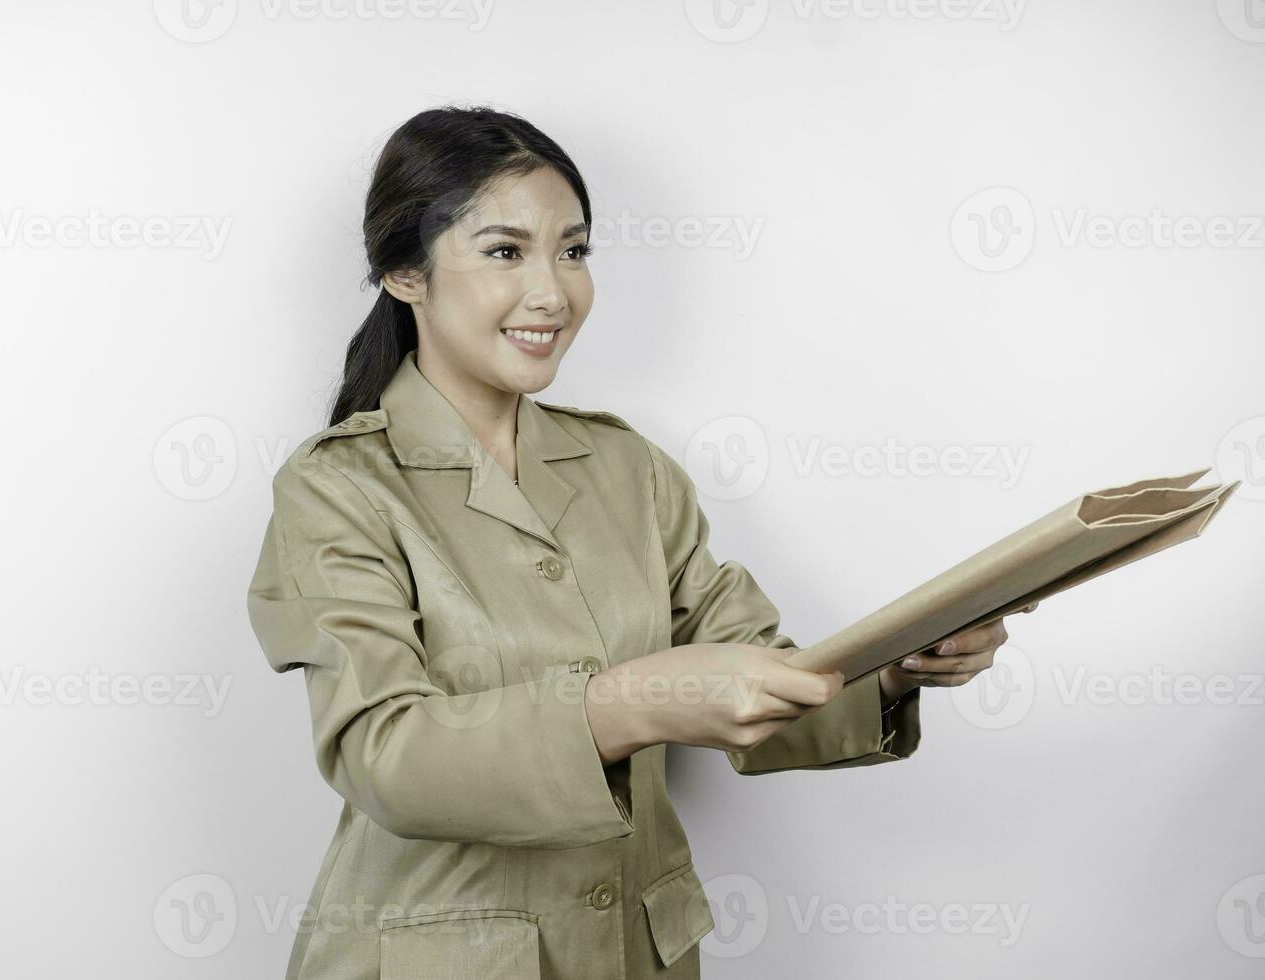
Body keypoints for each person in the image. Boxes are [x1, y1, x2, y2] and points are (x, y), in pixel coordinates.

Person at [246, 104, 1034, 980]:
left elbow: (752, 674)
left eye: (574, 250)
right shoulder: (339, 486)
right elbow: (386, 756)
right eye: (505, 251)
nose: (553, 291)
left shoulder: (628, 468)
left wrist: (893, 668)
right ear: (405, 272)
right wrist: (631, 705)